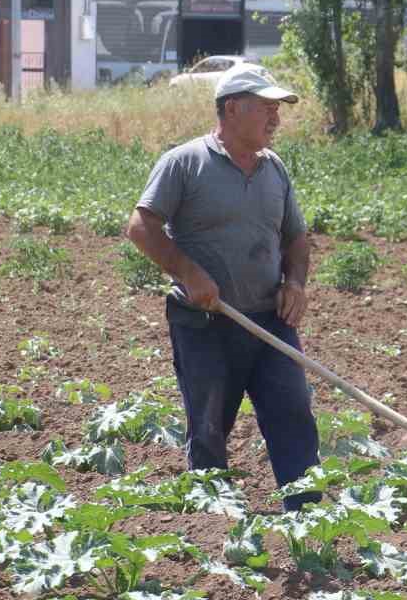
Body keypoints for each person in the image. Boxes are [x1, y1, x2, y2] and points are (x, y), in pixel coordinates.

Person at [125, 64, 321, 512]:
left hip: (270, 321)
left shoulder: (275, 169)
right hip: (206, 323)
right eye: (266, 108)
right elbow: (141, 226)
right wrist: (188, 272)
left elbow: (295, 238)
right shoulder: (185, 163)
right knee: (210, 426)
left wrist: (295, 282)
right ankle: (213, 520)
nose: (276, 118)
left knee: (293, 412)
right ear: (232, 109)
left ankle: (307, 517)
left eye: (278, 109)